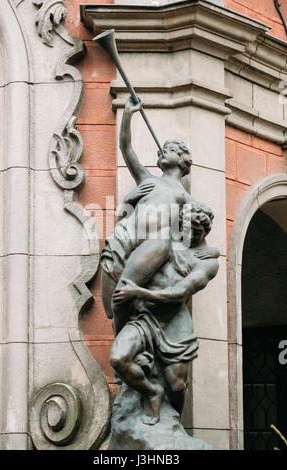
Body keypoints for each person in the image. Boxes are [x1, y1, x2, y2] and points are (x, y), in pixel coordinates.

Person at [109, 201, 219, 425]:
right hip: (145, 318)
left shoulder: (209, 262)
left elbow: (180, 292)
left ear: (205, 232)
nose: (190, 236)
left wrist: (138, 292)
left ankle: (172, 427)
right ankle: (152, 393)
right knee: (118, 358)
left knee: (177, 387)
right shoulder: (163, 241)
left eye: (197, 233)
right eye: (187, 230)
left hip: (175, 323)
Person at [101, 95, 194, 334]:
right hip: (127, 234)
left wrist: (180, 253)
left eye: (171, 149)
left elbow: (190, 231)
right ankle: (123, 341)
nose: (164, 151)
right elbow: (126, 148)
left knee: (122, 295)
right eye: (164, 149)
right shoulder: (147, 179)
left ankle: (123, 345)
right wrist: (128, 115)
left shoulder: (185, 196)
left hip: (153, 243)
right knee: (110, 294)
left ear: (183, 161)